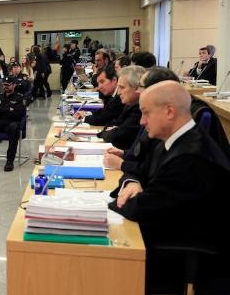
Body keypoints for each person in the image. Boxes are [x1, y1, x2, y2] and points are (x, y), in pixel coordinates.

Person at [108, 81, 230, 292]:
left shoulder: (190, 157)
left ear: (169, 111)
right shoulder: (174, 140)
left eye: (146, 113)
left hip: (184, 247)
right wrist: (134, 183)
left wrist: (126, 198)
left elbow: (140, 208)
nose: (142, 121)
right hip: (171, 228)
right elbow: (139, 171)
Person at [97, 66, 145, 150]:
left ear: (137, 87)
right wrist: (113, 129)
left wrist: (105, 133)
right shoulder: (129, 105)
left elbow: (118, 138)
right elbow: (112, 123)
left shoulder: (139, 110)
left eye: (122, 88)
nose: (118, 92)